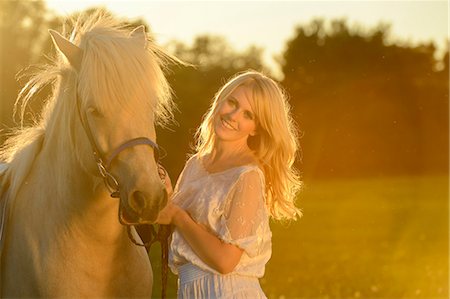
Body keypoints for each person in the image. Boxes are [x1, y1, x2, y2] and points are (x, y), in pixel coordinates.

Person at [156, 70, 302, 298]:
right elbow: (184, 229)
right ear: (220, 100)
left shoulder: (248, 175)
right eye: (232, 102)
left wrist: (177, 216)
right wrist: (166, 198)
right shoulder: (196, 163)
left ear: (256, 128)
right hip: (190, 290)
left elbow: (225, 261)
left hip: (225, 291)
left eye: (248, 115)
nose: (233, 116)